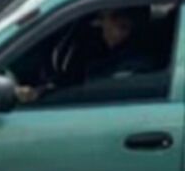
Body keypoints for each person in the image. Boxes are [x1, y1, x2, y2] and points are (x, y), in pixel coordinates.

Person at [17, 6, 158, 104]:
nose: (100, 26)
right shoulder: (98, 49)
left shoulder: (132, 67)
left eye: (103, 19)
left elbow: (86, 93)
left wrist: (40, 97)